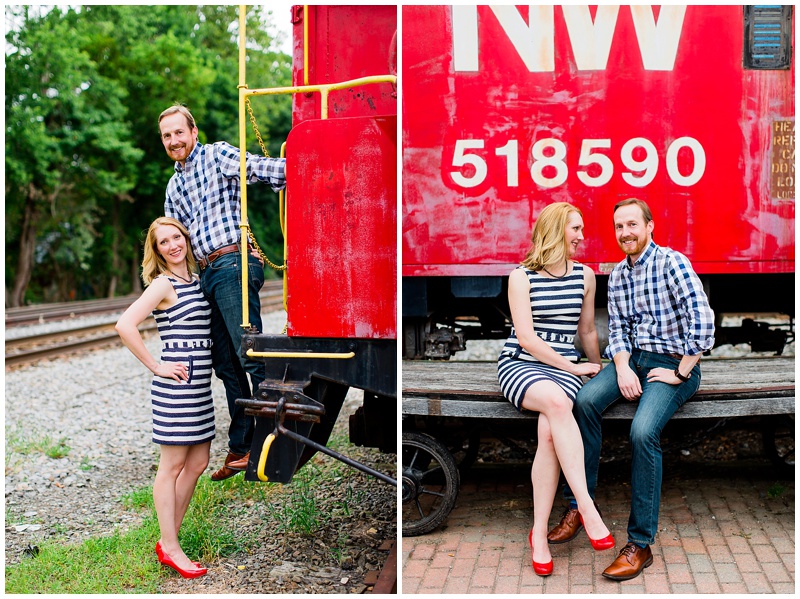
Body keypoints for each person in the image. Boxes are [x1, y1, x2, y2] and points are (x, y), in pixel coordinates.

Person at [547, 198, 715, 581]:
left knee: (643, 431)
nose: (625, 233)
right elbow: (618, 329)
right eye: (618, 226)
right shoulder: (619, 274)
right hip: (635, 359)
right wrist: (621, 367)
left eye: (632, 225)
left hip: (675, 363)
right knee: (585, 401)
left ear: (650, 226)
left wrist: (682, 371)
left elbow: (703, 321)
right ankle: (579, 506)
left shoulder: (672, 263)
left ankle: (640, 543)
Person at [158, 104, 286, 481]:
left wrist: (306, 166)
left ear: (193, 132)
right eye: (167, 136)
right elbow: (172, 239)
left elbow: (258, 168)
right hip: (205, 274)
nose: (174, 141)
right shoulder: (173, 185)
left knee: (249, 352)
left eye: (179, 132)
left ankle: (271, 440)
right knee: (225, 363)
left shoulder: (216, 155)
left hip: (232, 262)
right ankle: (243, 444)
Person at [497, 202, 614, 577]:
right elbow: (528, 339)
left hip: (564, 368)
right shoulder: (521, 277)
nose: (582, 236)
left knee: (549, 430)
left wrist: (596, 367)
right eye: (575, 229)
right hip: (522, 364)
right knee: (557, 404)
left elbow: (586, 331)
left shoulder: (585, 276)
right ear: (554, 230)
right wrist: (573, 367)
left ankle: (539, 535)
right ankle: (585, 506)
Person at [116, 216, 212, 579]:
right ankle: (171, 546)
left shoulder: (196, 279)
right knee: (171, 466)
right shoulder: (162, 284)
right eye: (163, 242)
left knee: (198, 461)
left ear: (185, 239)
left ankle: (168, 538)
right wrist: (156, 366)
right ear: (155, 251)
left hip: (199, 384)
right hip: (177, 385)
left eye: (177, 237)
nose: (173, 245)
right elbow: (125, 325)